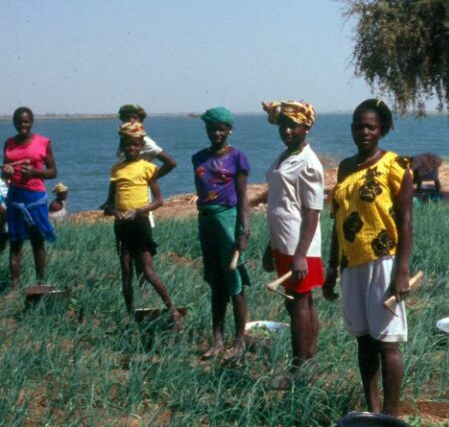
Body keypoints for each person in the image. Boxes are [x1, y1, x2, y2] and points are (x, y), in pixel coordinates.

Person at [323, 99, 413, 417]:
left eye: (370, 127)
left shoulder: (395, 165)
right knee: (364, 339)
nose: (364, 131)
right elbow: (337, 220)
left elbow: (405, 221)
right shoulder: (346, 168)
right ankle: (371, 408)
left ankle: (389, 417)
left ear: (381, 130)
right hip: (352, 264)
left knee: (387, 342)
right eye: (358, 126)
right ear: (351, 129)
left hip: (383, 261)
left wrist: (401, 271)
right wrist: (332, 266)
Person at [262, 100, 324, 388]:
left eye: (294, 125)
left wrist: (300, 254)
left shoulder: (308, 163)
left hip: (299, 245)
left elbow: (312, 211)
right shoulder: (285, 156)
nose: (287, 130)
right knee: (300, 303)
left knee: (299, 303)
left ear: (306, 128)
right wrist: (269, 245)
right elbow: (280, 203)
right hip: (284, 242)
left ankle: (300, 368)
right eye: (284, 125)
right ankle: (309, 361)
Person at [104, 121, 183, 330]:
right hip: (122, 226)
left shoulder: (148, 168)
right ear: (122, 146)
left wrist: (138, 211)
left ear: (141, 146)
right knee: (126, 271)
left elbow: (158, 200)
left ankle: (172, 310)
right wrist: (114, 212)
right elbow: (109, 202)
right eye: (127, 145)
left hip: (140, 223)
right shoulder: (116, 170)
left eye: (135, 145)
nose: (131, 148)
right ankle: (129, 315)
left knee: (147, 271)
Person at [192, 107, 251, 360]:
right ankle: (217, 339)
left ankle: (239, 342)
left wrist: (244, 230)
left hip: (228, 220)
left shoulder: (237, 158)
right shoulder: (198, 158)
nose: (216, 133)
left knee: (234, 281)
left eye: (221, 129)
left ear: (229, 130)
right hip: (206, 221)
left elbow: (243, 197)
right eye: (212, 128)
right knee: (216, 283)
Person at [2, 107, 57, 294]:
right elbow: (5, 172)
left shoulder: (43, 142)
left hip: (35, 197)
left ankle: (40, 283)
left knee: (37, 242)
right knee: (15, 243)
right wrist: (6, 172)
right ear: (14, 123)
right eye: (19, 122)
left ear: (32, 122)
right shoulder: (9, 143)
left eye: (26, 121)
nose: (22, 125)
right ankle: (14, 287)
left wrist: (35, 172)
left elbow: (53, 171)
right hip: (15, 196)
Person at [116, 104, 177, 180]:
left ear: (141, 121)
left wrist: (150, 180)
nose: (131, 120)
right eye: (127, 117)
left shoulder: (145, 142)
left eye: (135, 117)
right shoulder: (125, 139)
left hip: (140, 189)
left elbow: (171, 162)